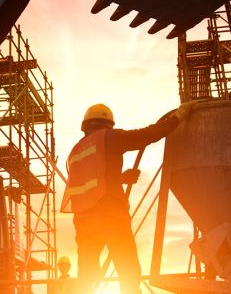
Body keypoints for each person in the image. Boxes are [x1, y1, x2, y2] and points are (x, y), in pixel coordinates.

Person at [60, 102, 191, 294]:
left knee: (87, 276)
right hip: (110, 215)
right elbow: (146, 135)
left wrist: (121, 178)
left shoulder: (75, 152)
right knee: (128, 271)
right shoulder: (109, 137)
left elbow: (91, 179)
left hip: (84, 222)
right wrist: (177, 118)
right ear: (108, 124)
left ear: (86, 126)